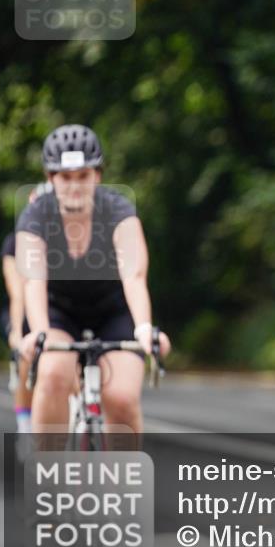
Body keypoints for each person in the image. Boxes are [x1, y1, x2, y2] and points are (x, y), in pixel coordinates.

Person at [16, 125, 171, 437]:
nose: (74, 186)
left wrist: (143, 328)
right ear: (51, 179)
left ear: (98, 176)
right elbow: (33, 281)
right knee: (54, 376)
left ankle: (122, 482)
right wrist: (41, 332)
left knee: (122, 398)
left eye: (83, 176)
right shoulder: (35, 215)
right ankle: (49, 477)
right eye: (65, 177)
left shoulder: (118, 210)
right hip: (59, 312)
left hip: (114, 311)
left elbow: (134, 274)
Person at [0, 183, 50, 437]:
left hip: (55, 308)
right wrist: (17, 331)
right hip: (23, 308)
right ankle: (25, 426)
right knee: (26, 357)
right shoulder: (15, 242)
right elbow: (17, 291)